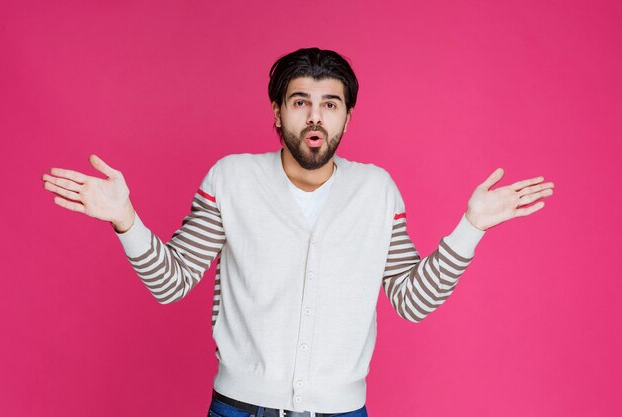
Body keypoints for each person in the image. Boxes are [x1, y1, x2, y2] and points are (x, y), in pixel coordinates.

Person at [41, 47, 554, 417]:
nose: (315, 116)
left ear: (347, 118)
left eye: (330, 104)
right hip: (239, 409)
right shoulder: (231, 178)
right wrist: (125, 219)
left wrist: (471, 227)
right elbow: (171, 282)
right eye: (300, 101)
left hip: (342, 412)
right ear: (277, 112)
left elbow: (411, 301)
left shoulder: (377, 190)